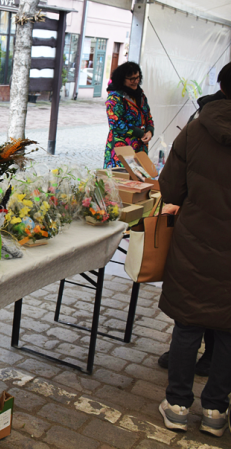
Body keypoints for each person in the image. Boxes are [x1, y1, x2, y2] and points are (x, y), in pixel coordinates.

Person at [157, 62, 231, 437]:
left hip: (196, 245)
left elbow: (170, 191)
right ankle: (217, 411)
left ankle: (178, 406)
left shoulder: (195, 129)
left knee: (188, 326)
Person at [103, 62, 155, 168]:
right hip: (121, 150)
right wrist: (139, 132)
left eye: (137, 77)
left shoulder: (141, 95)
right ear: (122, 79)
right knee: (121, 181)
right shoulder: (115, 98)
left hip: (140, 149)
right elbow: (116, 124)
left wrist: (150, 130)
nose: (136, 81)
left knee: (139, 180)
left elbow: (148, 116)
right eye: (131, 79)